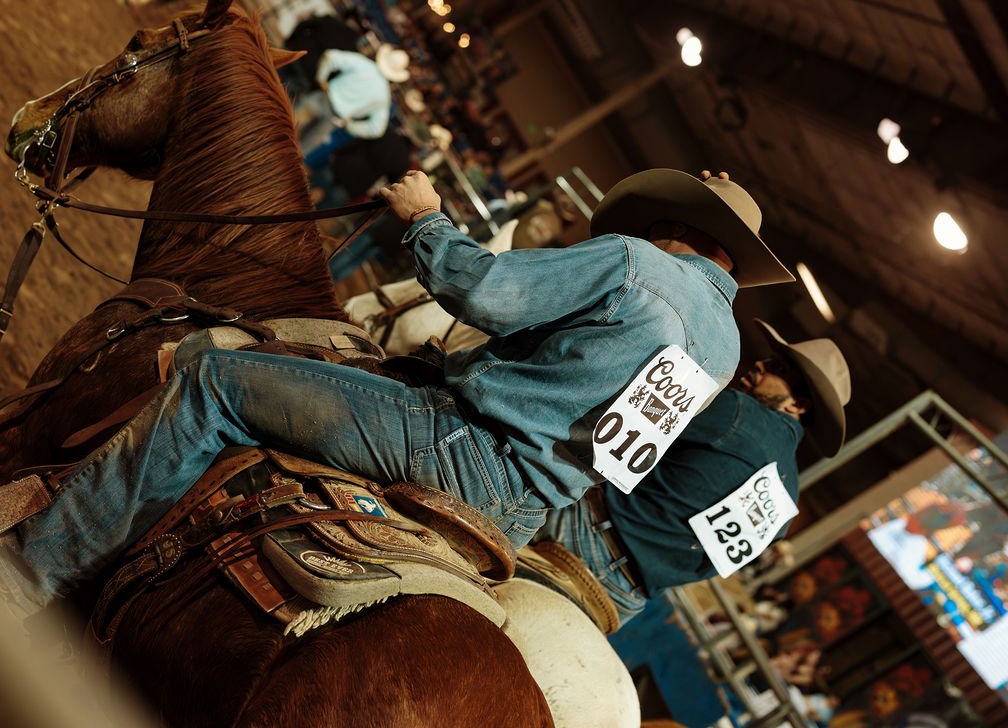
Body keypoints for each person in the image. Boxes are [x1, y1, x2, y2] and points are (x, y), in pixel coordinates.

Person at [0, 168, 794, 617]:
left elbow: (484, 291)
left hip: (457, 447)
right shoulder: (722, 351)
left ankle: (28, 579)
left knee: (215, 379)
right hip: (524, 515)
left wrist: (426, 218)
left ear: (675, 222)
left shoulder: (634, 264)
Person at [533, 320, 852, 624]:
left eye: (778, 369)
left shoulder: (737, 412)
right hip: (627, 599)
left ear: (799, 405)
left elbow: (620, 430)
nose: (760, 365)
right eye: (769, 359)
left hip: (581, 534)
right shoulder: (786, 507)